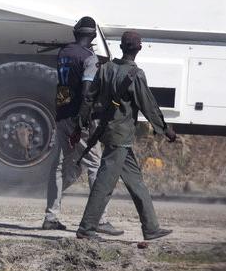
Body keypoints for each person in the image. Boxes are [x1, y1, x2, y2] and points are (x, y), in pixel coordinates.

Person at [76, 31, 176, 241]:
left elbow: (88, 98)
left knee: (136, 182)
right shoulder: (135, 74)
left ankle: (151, 228)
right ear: (139, 48)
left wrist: (81, 122)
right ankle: (86, 229)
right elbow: (148, 105)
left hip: (109, 133)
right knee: (104, 184)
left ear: (122, 47)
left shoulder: (105, 68)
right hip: (120, 137)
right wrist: (164, 129)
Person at [42, 17, 118, 235]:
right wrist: (83, 119)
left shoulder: (63, 53)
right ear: (93, 36)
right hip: (79, 118)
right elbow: (86, 91)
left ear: (75, 33)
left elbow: (64, 86)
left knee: (59, 166)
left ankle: (51, 217)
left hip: (62, 114)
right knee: (95, 165)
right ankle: (99, 219)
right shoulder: (89, 58)